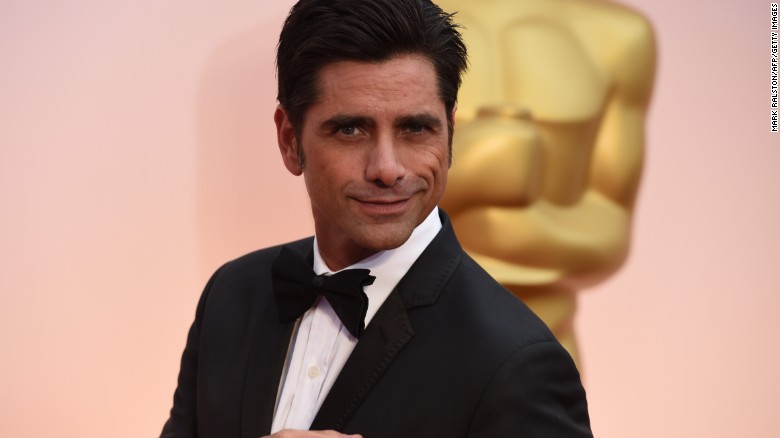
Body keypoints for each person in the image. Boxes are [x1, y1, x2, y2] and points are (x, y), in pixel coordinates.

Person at [161, 0, 592, 437]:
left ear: (450, 135)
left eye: (415, 129)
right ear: (290, 140)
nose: (387, 168)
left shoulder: (517, 362)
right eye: (351, 129)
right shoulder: (230, 295)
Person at [437, 0, 656, 366]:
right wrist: (473, 165)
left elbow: (610, 228)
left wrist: (510, 223)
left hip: (543, 346)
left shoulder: (620, 36)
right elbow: (349, 203)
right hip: (401, 339)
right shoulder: (381, 16)